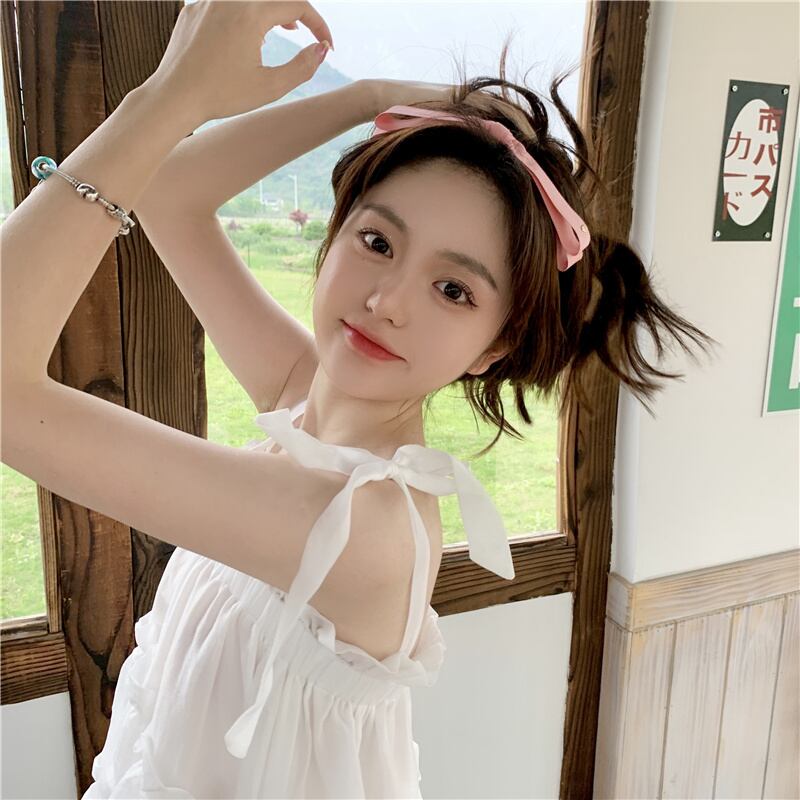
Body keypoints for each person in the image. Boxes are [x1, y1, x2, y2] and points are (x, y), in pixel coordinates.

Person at [0, 2, 717, 798]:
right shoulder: (308, 397)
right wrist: (365, 96)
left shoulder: (355, 527)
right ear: (334, 232)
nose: (387, 302)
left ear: (496, 347)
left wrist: (171, 97)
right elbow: (168, 194)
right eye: (377, 242)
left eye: (453, 289)